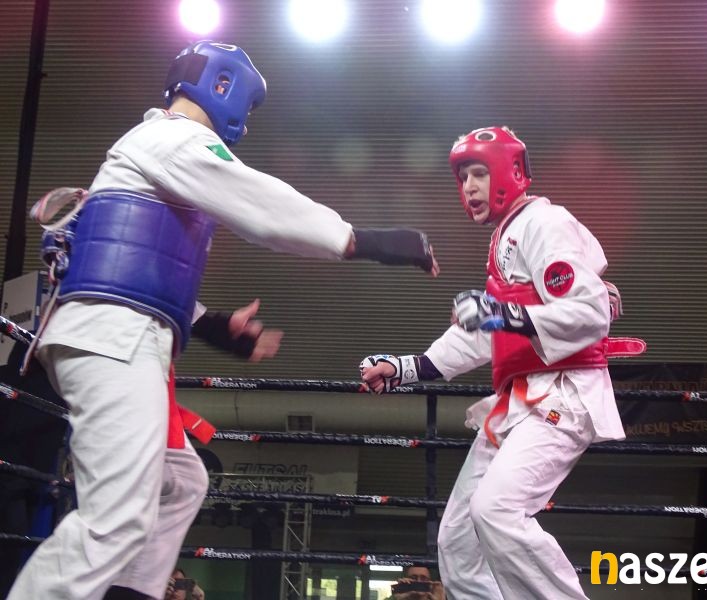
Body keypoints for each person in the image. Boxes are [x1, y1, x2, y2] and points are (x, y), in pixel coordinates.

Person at [8, 40, 438, 600]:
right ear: (221, 86)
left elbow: (131, 261)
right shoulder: (175, 138)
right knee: (113, 517)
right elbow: (261, 205)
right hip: (114, 340)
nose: (247, 123)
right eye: (248, 107)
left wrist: (214, 328)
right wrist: (372, 242)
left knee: (182, 482)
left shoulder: (152, 152)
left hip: (119, 334)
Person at [361, 126, 644, 599]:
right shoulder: (505, 238)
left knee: (496, 510)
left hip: (562, 393)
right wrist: (407, 367)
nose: (469, 187)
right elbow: (487, 335)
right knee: (457, 540)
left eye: (478, 173)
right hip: (518, 400)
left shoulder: (544, 223)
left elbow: (590, 313)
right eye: (462, 178)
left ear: (510, 173)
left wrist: (500, 312)